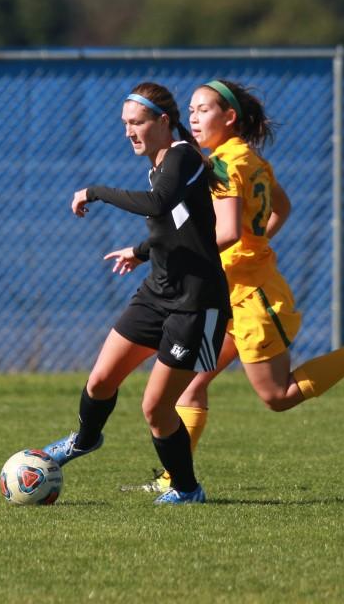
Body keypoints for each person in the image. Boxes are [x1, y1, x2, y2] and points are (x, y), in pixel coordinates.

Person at [141, 79, 344, 493]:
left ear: (229, 117)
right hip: (226, 293)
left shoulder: (226, 164)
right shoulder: (245, 157)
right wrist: (257, 243)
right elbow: (281, 207)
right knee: (191, 385)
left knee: (278, 395)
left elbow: (229, 232)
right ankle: (175, 480)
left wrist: (176, 254)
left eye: (204, 109)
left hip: (252, 299)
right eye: (191, 109)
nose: (193, 117)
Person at [38, 81, 233, 505]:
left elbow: (158, 204)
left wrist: (95, 191)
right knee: (101, 379)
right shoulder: (162, 162)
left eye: (137, 122)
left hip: (196, 304)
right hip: (156, 293)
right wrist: (142, 251)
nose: (129, 131)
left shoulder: (182, 156)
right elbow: (180, 225)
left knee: (156, 410)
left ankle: (187, 489)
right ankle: (86, 440)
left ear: (163, 122)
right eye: (125, 123)